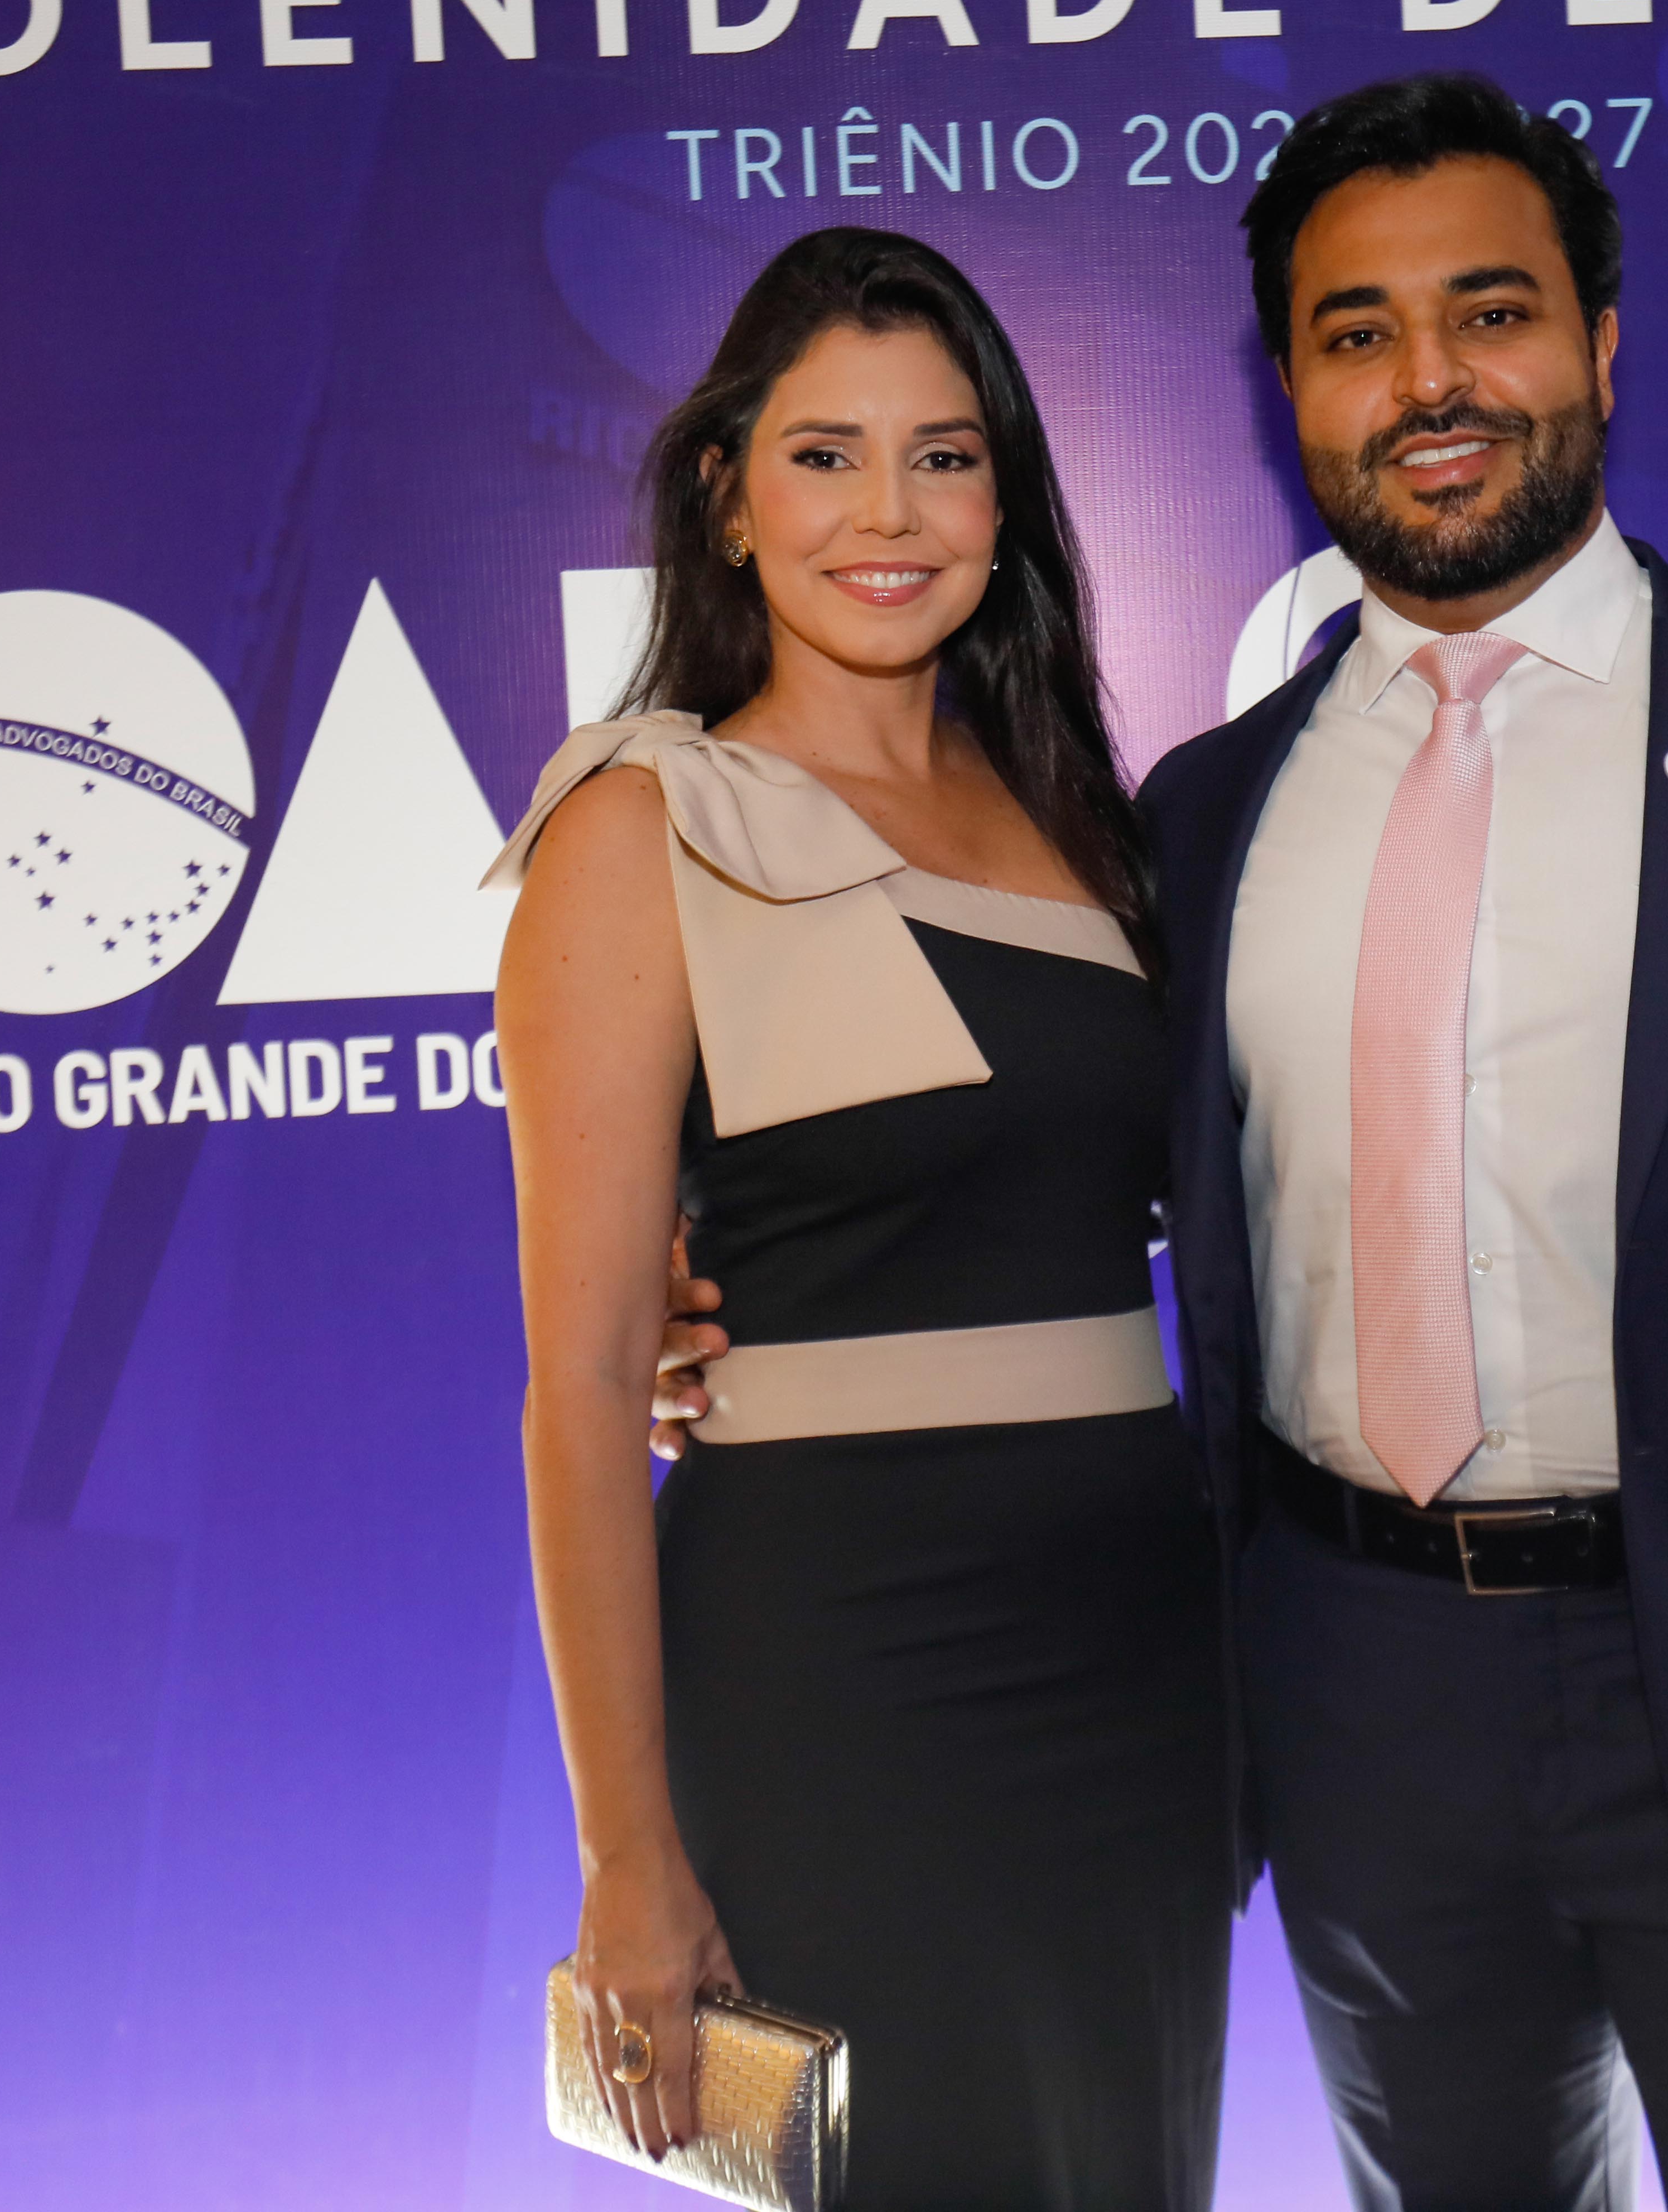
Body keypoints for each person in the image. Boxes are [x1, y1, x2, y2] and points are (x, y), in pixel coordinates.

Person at [662, 74, 1668, 2211]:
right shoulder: (1199, 814)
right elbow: (1045, 1158)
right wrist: (727, 1290)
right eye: (1357, 333)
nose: (1431, 382)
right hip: (1358, 1701)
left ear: (1600, 343)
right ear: (1289, 386)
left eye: (1492, 312)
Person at [492, 225, 1230, 2211]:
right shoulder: (640, 825)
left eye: (943, 456)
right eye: (824, 456)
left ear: (1007, 503)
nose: (887, 514)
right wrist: (627, 1858)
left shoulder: (1082, 819)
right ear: (727, 498)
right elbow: (584, 1395)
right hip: (840, 1663)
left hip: (1142, 1660)